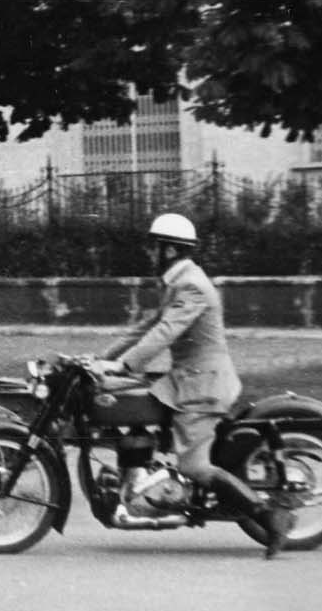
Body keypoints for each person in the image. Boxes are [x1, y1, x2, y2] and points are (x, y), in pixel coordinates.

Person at [94, 212, 294, 558]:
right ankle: (138, 477)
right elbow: (145, 327)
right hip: (186, 379)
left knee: (193, 467)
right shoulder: (178, 281)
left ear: (170, 250)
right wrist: (100, 359)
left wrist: (125, 365)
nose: (150, 253)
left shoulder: (191, 285)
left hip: (203, 386)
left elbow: (165, 333)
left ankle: (269, 516)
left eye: (155, 246)